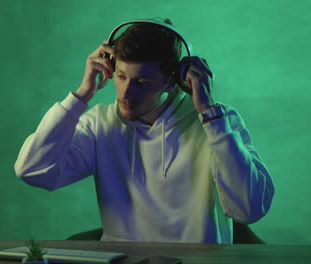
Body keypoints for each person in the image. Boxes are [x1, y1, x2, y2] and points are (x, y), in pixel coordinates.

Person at [14, 18, 274, 243]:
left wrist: (210, 116)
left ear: (174, 81)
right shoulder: (99, 124)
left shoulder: (216, 122)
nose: (126, 93)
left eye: (141, 82)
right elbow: (32, 171)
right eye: (121, 77)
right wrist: (80, 97)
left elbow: (248, 210)